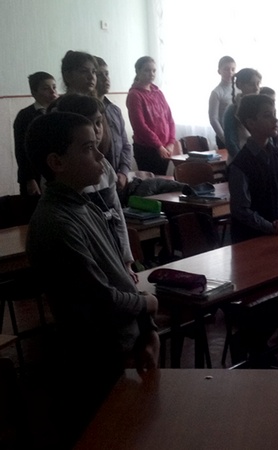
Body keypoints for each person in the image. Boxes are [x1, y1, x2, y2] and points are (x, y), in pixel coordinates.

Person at [25, 112, 159, 446]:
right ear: (56, 162)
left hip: (124, 348)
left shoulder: (86, 206)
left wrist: (148, 330)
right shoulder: (56, 223)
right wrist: (147, 304)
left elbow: (121, 278)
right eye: (88, 148)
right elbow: (102, 299)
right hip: (96, 362)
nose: (101, 155)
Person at [50, 93, 137, 281]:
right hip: (94, 264)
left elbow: (117, 214)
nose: (96, 130)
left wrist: (126, 260)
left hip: (113, 256)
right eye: (89, 123)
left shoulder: (104, 166)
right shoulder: (68, 175)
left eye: (99, 122)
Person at [229, 94, 278, 243]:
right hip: (250, 239)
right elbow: (241, 210)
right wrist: (271, 227)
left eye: (274, 114)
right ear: (251, 123)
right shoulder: (240, 164)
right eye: (267, 116)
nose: (275, 120)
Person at [126, 56, 180, 175]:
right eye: (147, 70)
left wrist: (171, 143)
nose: (151, 74)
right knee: (151, 182)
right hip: (147, 149)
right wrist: (159, 146)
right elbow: (140, 126)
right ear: (138, 71)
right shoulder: (134, 95)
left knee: (162, 181)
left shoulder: (158, 93)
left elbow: (170, 119)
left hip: (165, 147)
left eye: (154, 71)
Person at [13, 71, 58, 195]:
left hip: (56, 172)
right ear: (34, 92)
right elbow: (21, 151)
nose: (52, 92)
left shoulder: (60, 113)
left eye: (54, 87)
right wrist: (29, 179)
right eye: (46, 88)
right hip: (35, 175)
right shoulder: (25, 116)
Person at [61, 50, 112, 158]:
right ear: (68, 76)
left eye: (93, 72)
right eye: (84, 71)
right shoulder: (59, 108)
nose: (91, 77)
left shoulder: (96, 105)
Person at [95, 56, 133, 190]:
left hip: (118, 177)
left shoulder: (114, 110)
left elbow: (125, 145)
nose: (106, 79)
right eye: (100, 75)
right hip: (98, 180)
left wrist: (123, 172)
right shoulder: (87, 111)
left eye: (107, 74)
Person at [223, 68, 262, 163]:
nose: (256, 88)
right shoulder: (232, 110)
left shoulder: (262, 108)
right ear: (240, 85)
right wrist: (243, 161)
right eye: (251, 84)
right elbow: (231, 141)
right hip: (241, 161)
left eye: (258, 84)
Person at [208, 56, 236, 149]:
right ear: (219, 71)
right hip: (225, 135)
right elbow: (214, 119)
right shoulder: (216, 92)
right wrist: (225, 139)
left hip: (239, 135)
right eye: (226, 69)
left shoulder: (239, 88)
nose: (230, 72)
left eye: (233, 69)